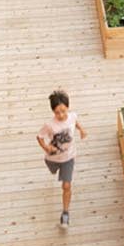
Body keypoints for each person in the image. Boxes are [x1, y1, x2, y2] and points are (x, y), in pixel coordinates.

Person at [37, 90, 86, 230]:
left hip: (68, 158)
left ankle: (65, 213)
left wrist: (82, 130)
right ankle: (55, 169)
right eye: (57, 112)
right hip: (52, 158)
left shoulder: (72, 116)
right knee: (53, 171)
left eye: (63, 111)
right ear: (53, 111)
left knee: (66, 185)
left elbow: (75, 122)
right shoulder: (49, 125)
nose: (61, 115)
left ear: (68, 108)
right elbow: (39, 137)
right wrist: (46, 148)